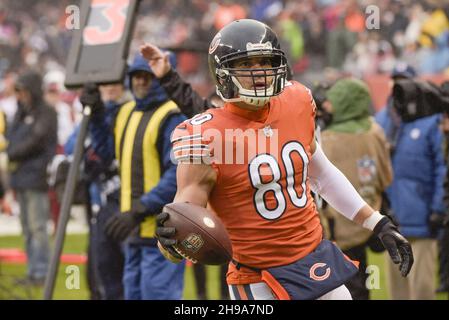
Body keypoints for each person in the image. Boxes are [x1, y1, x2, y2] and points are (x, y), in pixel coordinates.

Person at [155, 19, 413, 300]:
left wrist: (377, 222)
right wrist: (169, 243)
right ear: (222, 73)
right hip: (259, 276)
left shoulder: (297, 101)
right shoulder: (205, 134)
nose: (259, 73)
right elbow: (186, 218)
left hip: (314, 258)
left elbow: (321, 173)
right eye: (245, 65)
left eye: (265, 61)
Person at [82, 53, 187, 300]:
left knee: (157, 295)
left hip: (163, 233)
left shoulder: (173, 116)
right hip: (133, 231)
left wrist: (140, 208)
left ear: (160, 78)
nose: (140, 82)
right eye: (136, 77)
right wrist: (97, 112)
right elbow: (106, 152)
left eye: (147, 77)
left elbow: (178, 174)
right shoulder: (125, 112)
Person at [376, 64, 446, 300]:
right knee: (397, 288)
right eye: (394, 80)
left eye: (403, 81)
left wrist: (437, 209)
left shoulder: (431, 123)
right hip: (393, 216)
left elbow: (442, 169)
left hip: (422, 216)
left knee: (423, 287)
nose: (398, 86)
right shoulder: (386, 119)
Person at [319, 78, 393, 299]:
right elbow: (386, 176)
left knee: (344, 286)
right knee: (365, 282)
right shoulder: (376, 131)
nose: (326, 106)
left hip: (337, 228)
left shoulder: (326, 138)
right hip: (369, 219)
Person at [65, 81, 132, 299]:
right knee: (101, 266)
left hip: (129, 203)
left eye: (116, 84)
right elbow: (72, 149)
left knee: (129, 270)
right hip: (98, 200)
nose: (111, 89)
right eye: (106, 85)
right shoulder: (90, 116)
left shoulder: (131, 113)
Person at [6, 70, 57, 286]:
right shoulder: (20, 111)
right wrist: (12, 150)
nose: (20, 95)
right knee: (27, 228)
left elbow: (36, 139)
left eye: (23, 90)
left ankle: (42, 272)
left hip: (37, 177)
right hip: (20, 176)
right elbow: (11, 137)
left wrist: (11, 152)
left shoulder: (46, 112)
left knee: (37, 227)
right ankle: (32, 270)